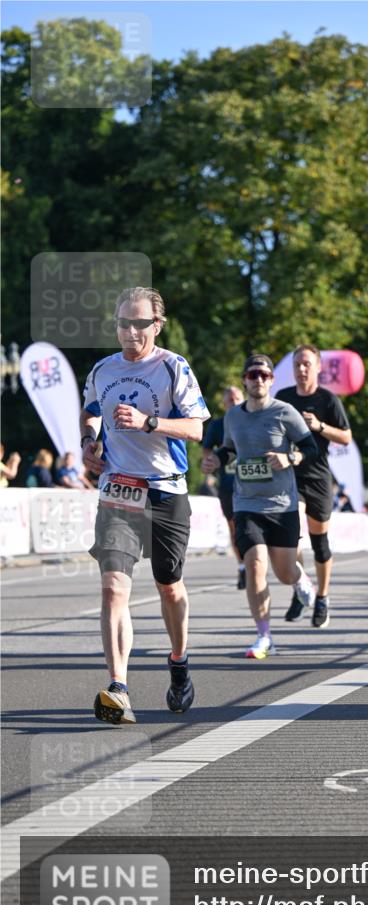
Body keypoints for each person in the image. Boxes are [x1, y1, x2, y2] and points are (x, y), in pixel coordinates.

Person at [81, 286, 210, 724]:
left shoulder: (173, 367)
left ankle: (178, 660)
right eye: (122, 323)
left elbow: (196, 429)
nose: (130, 331)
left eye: (139, 323)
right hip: (118, 489)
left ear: (156, 325)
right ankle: (118, 688)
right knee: (114, 587)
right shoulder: (103, 369)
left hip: (166, 489)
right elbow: (92, 411)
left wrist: (149, 421)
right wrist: (89, 442)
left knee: (168, 585)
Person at [203, 353, 319, 659]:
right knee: (255, 565)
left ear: (271, 380)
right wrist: (217, 459)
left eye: (264, 375)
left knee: (283, 572)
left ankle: (300, 579)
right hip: (247, 504)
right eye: (253, 374)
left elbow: (311, 447)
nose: (258, 380)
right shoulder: (233, 417)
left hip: (282, 505)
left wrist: (289, 458)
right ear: (245, 378)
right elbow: (229, 450)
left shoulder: (285, 412)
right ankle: (264, 636)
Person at [275, 345, 352, 628]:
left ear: (318, 367)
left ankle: (322, 597)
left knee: (320, 544)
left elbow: (346, 437)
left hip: (318, 477)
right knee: (292, 535)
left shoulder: (328, 400)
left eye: (307, 364)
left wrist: (319, 426)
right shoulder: (283, 398)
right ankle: (300, 584)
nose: (301, 368)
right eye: (297, 364)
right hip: (290, 476)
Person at [200, 385, 246, 588]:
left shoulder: (253, 420)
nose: (234, 403)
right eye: (230, 400)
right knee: (235, 529)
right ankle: (243, 566)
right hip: (228, 484)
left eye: (237, 399)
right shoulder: (218, 426)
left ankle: (255, 563)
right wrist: (212, 462)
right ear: (225, 404)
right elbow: (206, 451)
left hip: (254, 484)